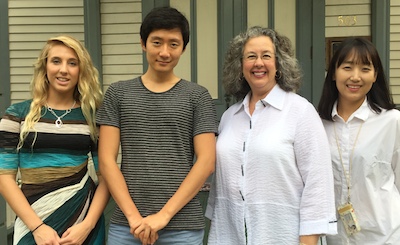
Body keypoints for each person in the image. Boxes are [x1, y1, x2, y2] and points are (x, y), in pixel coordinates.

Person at [96, 6, 218, 245]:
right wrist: (134, 218)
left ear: (183, 47)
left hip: (182, 227)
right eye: (157, 42)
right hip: (127, 226)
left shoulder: (197, 96)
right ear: (143, 43)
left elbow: (206, 162)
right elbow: (107, 159)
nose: (164, 52)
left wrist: (163, 216)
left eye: (173, 44)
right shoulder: (119, 93)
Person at [205, 26, 337, 245]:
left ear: (279, 64)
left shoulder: (300, 111)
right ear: (240, 66)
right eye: (250, 56)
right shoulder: (230, 116)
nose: (258, 63)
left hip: (285, 236)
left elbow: (318, 183)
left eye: (266, 55)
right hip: (230, 235)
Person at [0, 35, 109, 245]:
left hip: (83, 221)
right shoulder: (16, 115)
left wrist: (87, 225)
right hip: (33, 221)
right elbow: (5, 179)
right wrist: (38, 228)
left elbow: (106, 176)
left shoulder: (93, 117)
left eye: (72, 63)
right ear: (45, 66)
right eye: (56, 61)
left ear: (81, 70)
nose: (63, 70)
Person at [318, 37, 400, 244]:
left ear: (375, 76)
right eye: (347, 67)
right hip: (335, 237)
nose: (355, 77)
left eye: (365, 69)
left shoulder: (391, 121)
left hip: (385, 236)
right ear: (334, 73)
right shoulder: (318, 124)